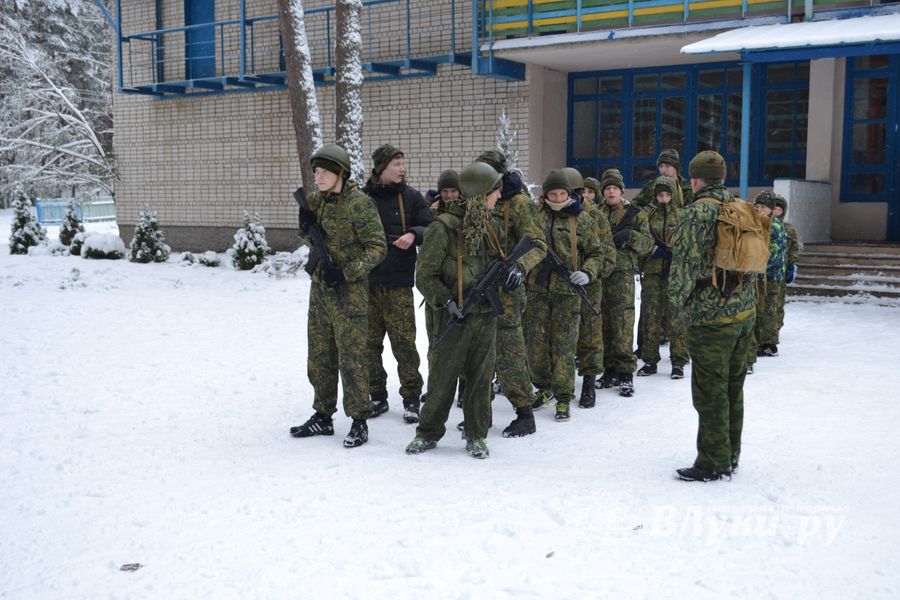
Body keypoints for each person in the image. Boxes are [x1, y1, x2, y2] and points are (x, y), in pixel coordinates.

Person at [406, 162, 508, 459]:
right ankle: (428, 432)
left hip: (485, 316)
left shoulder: (492, 226)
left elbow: (501, 264)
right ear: (479, 195)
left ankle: (476, 434)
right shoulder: (443, 229)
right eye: (493, 192)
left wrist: (510, 278)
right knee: (442, 378)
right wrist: (447, 301)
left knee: (480, 379)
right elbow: (424, 277)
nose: (498, 197)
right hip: (453, 317)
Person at [290, 143, 387, 448]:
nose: (318, 176)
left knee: (353, 358)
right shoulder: (315, 201)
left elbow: (377, 248)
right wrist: (304, 228)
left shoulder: (360, 204)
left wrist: (346, 272)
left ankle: (359, 420)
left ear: (340, 173)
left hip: (349, 294)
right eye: (316, 171)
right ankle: (322, 414)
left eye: (324, 172)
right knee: (320, 355)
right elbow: (313, 238)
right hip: (320, 292)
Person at [669, 150, 757, 481]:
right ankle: (730, 454)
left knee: (710, 391)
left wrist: (677, 303)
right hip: (744, 310)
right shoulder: (740, 206)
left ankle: (712, 461)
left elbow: (685, 267)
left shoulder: (695, 214)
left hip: (710, 318)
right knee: (733, 387)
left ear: (694, 180)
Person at [472, 151, 548, 438]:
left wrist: (519, 266)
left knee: (510, 354)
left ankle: (525, 414)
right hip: (479, 288)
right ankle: (482, 413)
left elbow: (538, 244)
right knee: (480, 354)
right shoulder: (477, 201)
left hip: (507, 292)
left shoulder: (518, 204)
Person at [526, 169, 603, 422]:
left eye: (562, 193)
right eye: (553, 194)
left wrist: (587, 273)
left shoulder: (582, 219)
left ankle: (562, 398)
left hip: (567, 293)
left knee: (564, 348)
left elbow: (596, 253)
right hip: (537, 291)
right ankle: (544, 386)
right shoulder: (534, 217)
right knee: (535, 346)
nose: (558, 198)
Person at [363, 144, 433, 423]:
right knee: (369, 345)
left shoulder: (411, 197)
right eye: (396, 164)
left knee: (404, 345)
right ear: (381, 168)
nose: (402, 169)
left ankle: (411, 399)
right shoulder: (363, 198)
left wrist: (414, 234)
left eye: (403, 163)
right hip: (367, 285)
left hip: (398, 284)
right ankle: (377, 396)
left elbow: (431, 228)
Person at [596, 168, 653, 397]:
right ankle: (608, 369)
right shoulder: (595, 213)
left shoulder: (635, 214)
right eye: (607, 188)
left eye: (614, 188)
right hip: (600, 273)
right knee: (602, 321)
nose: (611, 192)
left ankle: (625, 372)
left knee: (622, 321)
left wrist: (630, 236)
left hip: (622, 274)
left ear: (621, 191)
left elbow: (648, 244)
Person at [637, 176, 689, 379]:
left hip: (675, 273)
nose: (664, 198)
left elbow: (688, 242)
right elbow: (641, 239)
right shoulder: (647, 215)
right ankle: (650, 360)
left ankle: (678, 361)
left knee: (676, 318)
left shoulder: (682, 215)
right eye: (660, 194)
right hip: (652, 271)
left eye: (668, 194)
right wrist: (652, 249)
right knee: (651, 316)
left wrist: (673, 251)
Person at [573, 174, 616, 407]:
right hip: (558, 285)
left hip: (589, 285)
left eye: (586, 192)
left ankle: (589, 383)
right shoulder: (549, 215)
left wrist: (590, 273)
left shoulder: (595, 217)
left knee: (590, 334)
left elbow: (608, 256)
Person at [746, 191, 787, 372]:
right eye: (757, 206)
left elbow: (774, 255)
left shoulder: (774, 227)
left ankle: (770, 345)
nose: (759, 210)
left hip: (771, 277)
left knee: (768, 309)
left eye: (762, 207)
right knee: (758, 309)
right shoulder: (757, 223)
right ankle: (759, 341)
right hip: (758, 275)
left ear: (771, 209)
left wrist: (756, 266)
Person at [772, 195, 800, 347]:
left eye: (779, 209)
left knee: (779, 301)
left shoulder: (788, 229)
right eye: (774, 208)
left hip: (782, 270)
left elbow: (793, 249)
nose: (776, 211)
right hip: (771, 270)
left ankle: (776, 326)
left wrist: (792, 265)